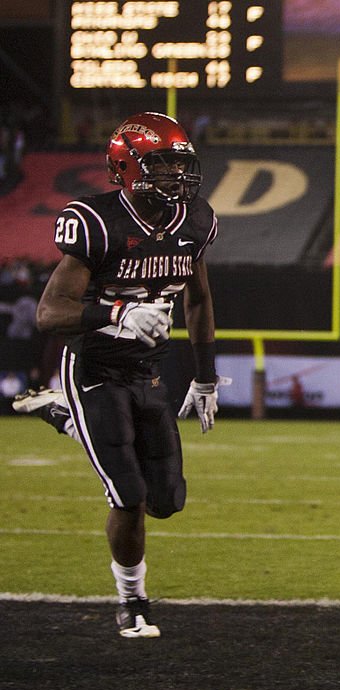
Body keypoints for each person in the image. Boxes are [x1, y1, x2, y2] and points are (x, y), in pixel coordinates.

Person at [12, 112, 227, 638]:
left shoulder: (194, 220)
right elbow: (49, 312)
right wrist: (117, 314)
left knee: (166, 502)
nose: (176, 176)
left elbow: (198, 299)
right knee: (127, 497)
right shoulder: (98, 221)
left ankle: (63, 416)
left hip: (148, 370)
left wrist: (204, 377)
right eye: (161, 165)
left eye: (180, 164)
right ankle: (133, 602)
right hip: (93, 366)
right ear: (126, 167)